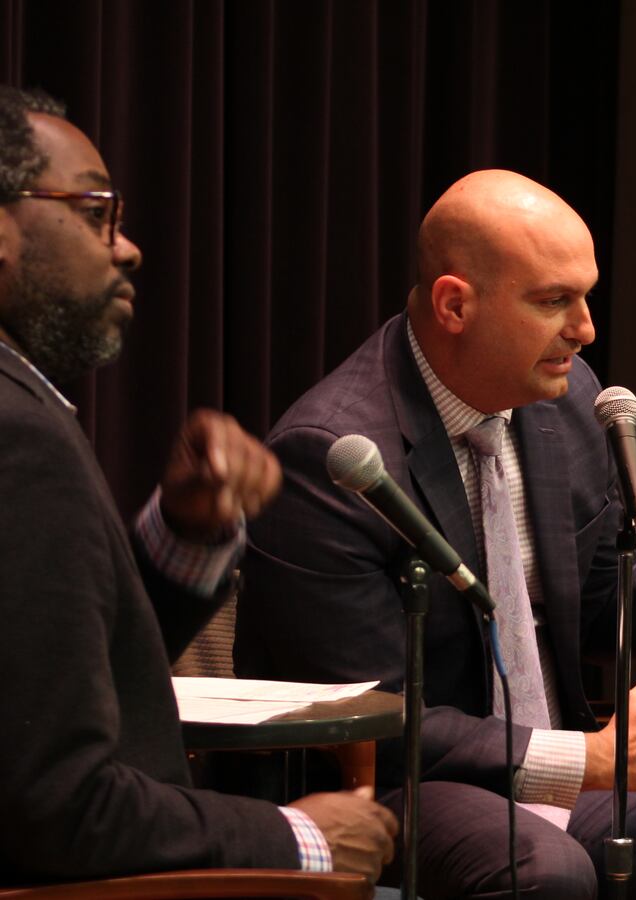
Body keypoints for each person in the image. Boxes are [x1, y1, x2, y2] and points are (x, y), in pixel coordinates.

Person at [236, 169, 636, 899]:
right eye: (553, 302)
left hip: (572, 769)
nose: (585, 329)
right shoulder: (334, 458)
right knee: (551, 876)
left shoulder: (565, 398)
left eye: (586, 296)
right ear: (454, 305)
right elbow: (373, 716)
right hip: (394, 786)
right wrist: (586, 760)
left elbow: (597, 606)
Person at [0, 85, 397, 884]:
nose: (128, 247)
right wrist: (297, 838)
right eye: (95, 209)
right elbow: (54, 809)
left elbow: (54, 681)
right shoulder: (20, 437)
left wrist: (183, 532)